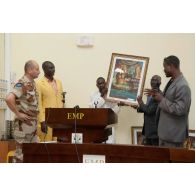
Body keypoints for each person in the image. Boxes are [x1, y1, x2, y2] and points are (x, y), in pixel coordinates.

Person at [145, 55, 191, 148]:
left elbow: (180, 109)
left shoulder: (183, 86)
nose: (164, 69)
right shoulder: (172, 81)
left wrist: (161, 99)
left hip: (173, 137)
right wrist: (157, 94)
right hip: (165, 134)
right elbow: (169, 99)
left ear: (171, 66)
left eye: (164, 66)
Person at [5, 60, 40, 161]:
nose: (39, 72)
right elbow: (9, 98)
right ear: (29, 70)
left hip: (32, 126)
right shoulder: (22, 83)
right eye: (37, 69)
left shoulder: (32, 83)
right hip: (23, 127)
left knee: (32, 155)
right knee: (21, 156)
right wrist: (18, 113)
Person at [36, 61, 64, 141]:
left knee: (58, 144)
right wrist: (42, 121)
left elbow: (61, 100)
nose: (53, 70)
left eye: (54, 67)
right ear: (44, 69)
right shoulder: (39, 84)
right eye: (51, 68)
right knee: (47, 146)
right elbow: (38, 104)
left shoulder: (59, 82)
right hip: (46, 120)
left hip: (58, 120)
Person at [132, 75, 162, 146]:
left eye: (155, 80)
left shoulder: (159, 95)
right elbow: (147, 108)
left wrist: (140, 102)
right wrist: (137, 107)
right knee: (148, 153)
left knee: (155, 154)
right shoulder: (150, 94)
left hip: (155, 132)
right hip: (148, 130)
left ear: (160, 82)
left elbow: (149, 111)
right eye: (152, 80)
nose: (152, 82)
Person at [89, 77, 120, 143]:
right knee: (99, 147)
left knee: (110, 148)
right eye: (99, 84)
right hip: (98, 126)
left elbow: (116, 110)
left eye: (103, 83)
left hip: (109, 125)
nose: (102, 85)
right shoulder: (93, 94)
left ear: (105, 83)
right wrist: (102, 96)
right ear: (97, 85)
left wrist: (119, 104)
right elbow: (93, 107)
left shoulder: (111, 94)